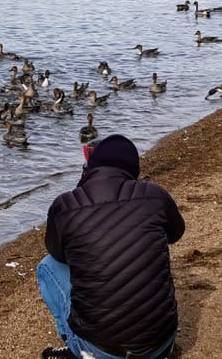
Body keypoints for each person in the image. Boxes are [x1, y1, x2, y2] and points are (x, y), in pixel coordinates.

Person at [38, 134, 184, 359]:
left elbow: (56, 252)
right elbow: (175, 233)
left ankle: (82, 349)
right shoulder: (155, 195)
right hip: (162, 344)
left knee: (47, 266)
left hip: (105, 351)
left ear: (89, 167)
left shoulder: (66, 205)